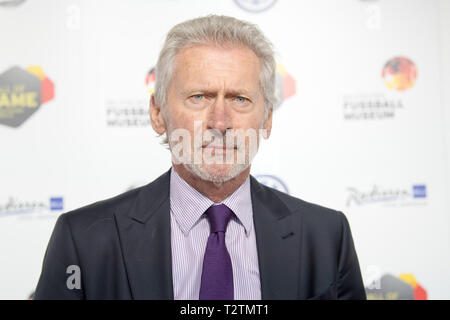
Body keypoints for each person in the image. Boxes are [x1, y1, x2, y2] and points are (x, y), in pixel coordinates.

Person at [34, 15, 366, 300]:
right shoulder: (84, 240)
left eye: (239, 98)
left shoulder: (325, 237)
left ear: (267, 118)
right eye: (198, 97)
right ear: (158, 112)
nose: (219, 122)